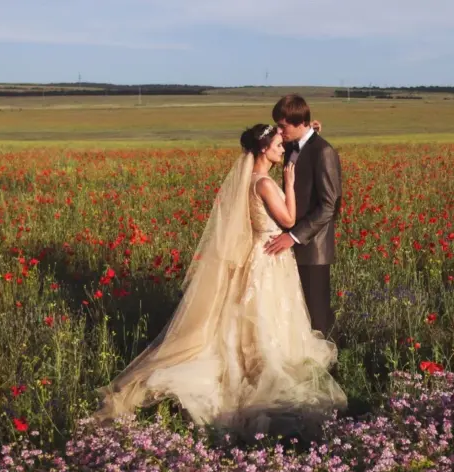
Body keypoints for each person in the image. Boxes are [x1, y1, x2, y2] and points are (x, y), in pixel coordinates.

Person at [92, 124, 346, 433]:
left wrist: (309, 127)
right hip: (269, 259)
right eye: (279, 145)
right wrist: (290, 184)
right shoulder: (265, 183)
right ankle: (260, 367)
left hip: (260, 255)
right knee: (266, 317)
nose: (283, 149)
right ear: (265, 149)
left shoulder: (251, 178)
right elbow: (289, 220)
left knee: (253, 316)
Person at [264, 94, 341, 339]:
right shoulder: (293, 146)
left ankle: (328, 372)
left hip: (313, 250)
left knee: (317, 319)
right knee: (297, 318)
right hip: (292, 247)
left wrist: (294, 236)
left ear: (299, 123)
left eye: (283, 126)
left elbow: (330, 205)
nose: (279, 130)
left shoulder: (323, 151)